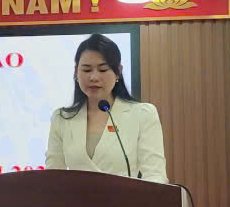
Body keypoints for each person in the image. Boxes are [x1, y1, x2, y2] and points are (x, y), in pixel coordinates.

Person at [44, 33, 168, 182]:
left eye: (103, 70)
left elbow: (155, 174)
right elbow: (52, 178)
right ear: (76, 72)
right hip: (76, 197)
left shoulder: (143, 114)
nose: (94, 77)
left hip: (126, 197)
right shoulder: (62, 119)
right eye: (86, 70)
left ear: (118, 72)